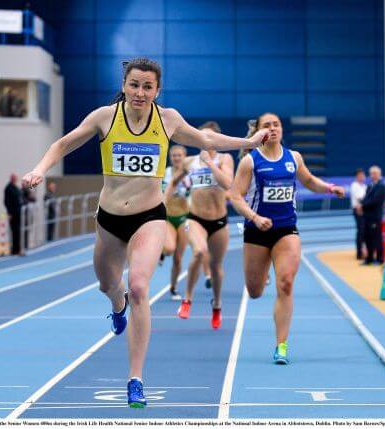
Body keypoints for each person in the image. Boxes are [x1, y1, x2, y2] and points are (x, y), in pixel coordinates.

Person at [22, 57, 268, 408]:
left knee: (140, 286)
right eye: (134, 84)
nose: (140, 92)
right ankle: (116, 303)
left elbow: (207, 138)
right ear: (124, 85)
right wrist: (39, 170)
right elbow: (62, 144)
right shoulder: (104, 117)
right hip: (109, 219)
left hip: (150, 217)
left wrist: (249, 143)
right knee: (108, 284)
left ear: (157, 90)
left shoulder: (167, 120)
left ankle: (135, 379)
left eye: (147, 86)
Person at [229, 112, 344, 365]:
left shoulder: (294, 158)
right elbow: (235, 196)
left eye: (277, 124)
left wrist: (328, 188)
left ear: (282, 129)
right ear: (259, 131)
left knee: (286, 283)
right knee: (255, 291)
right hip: (257, 231)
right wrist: (255, 217)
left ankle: (281, 345)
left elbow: (309, 180)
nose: (273, 128)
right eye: (267, 125)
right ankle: (263, 273)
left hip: (286, 230)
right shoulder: (250, 161)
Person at [172, 121, 234, 329]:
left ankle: (216, 304)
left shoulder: (225, 158)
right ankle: (187, 299)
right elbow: (173, 181)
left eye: (209, 137)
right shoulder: (189, 162)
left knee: (216, 267)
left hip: (218, 221)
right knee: (199, 252)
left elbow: (227, 184)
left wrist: (209, 163)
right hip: (194, 219)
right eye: (201, 137)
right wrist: (163, 201)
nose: (205, 141)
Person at [160, 145, 191, 300]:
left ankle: (173, 288)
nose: (177, 158)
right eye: (174, 155)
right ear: (170, 157)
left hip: (184, 218)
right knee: (169, 248)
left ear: (185, 156)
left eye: (179, 155)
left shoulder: (190, 174)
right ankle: (162, 252)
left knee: (178, 259)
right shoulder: (164, 174)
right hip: (168, 218)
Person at [357, 165, 385, 265]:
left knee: (376, 237)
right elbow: (366, 198)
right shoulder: (370, 186)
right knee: (367, 237)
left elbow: (375, 201)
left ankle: (379, 258)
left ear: (379, 174)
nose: (373, 175)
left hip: (375, 216)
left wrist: (363, 206)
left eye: (375, 173)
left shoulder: (382, 186)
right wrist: (361, 205)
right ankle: (369, 258)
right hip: (367, 216)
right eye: (372, 173)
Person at [4, 174, 23, 255]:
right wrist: (9, 213)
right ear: (12, 179)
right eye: (15, 178)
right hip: (13, 213)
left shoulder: (16, 188)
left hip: (18, 212)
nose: (16, 179)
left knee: (18, 232)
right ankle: (15, 250)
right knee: (14, 231)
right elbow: (6, 201)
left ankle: (17, 249)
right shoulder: (8, 188)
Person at [350, 168, 367, 260]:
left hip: (364, 210)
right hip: (358, 210)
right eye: (360, 176)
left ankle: (364, 250)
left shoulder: (364, 186)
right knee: (360, 231)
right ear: (357, 177)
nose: (362, 177)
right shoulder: (354, 185)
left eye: (363, 175)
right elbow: (360, 198)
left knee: (364, 231)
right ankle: (359, 253)